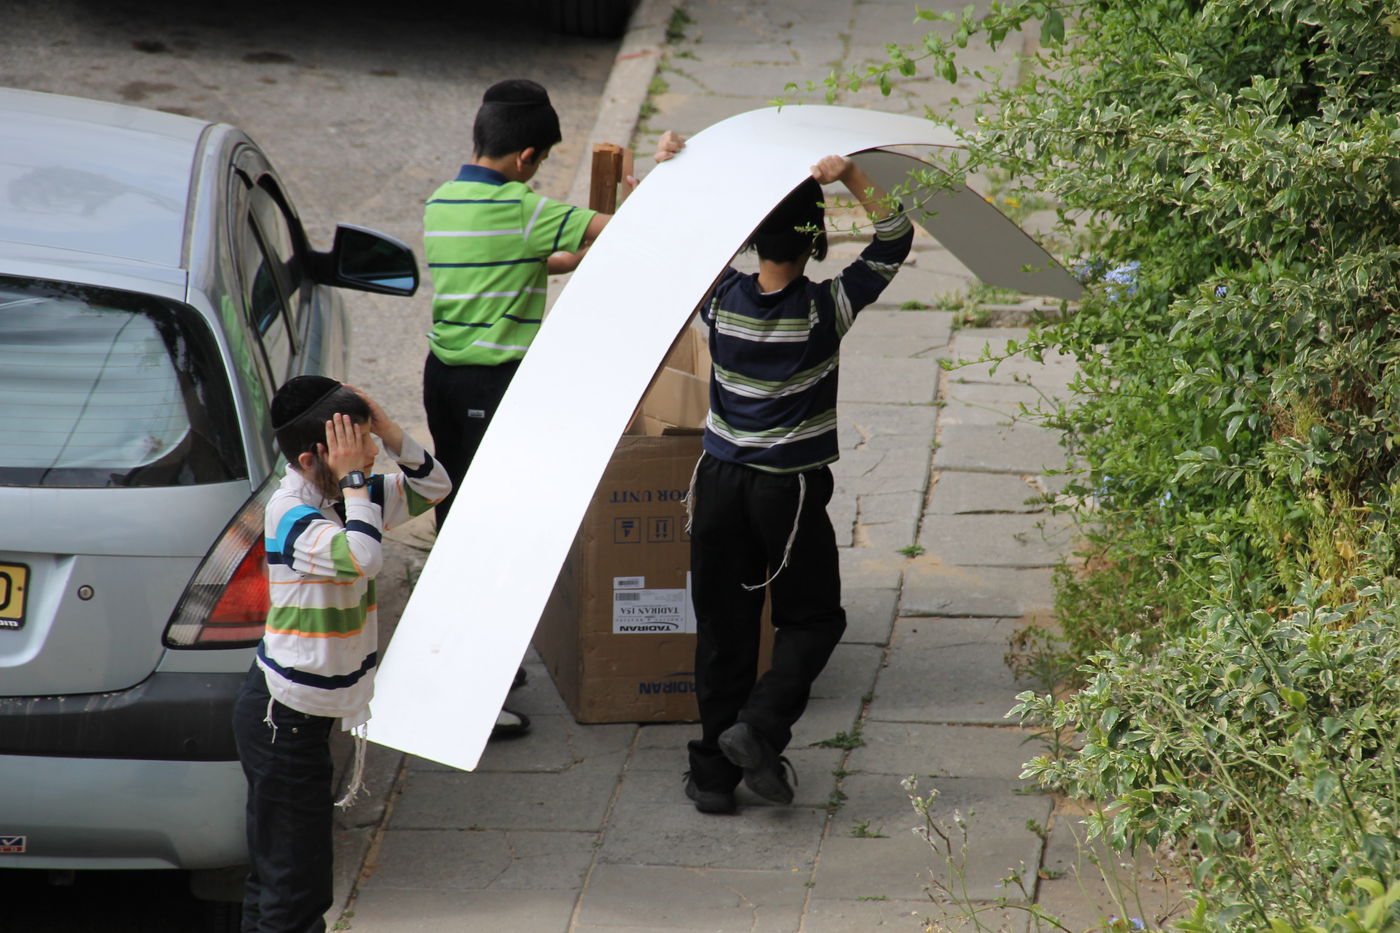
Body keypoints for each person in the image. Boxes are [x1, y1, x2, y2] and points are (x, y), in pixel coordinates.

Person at [654, 132, 915, 814]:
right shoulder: (823, 311)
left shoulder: (719, 300)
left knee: (723, 626)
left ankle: (712, 776)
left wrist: (677, 166)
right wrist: (851, 174)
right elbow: (893, 238)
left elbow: (672, 234)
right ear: (815, 242)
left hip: (715, 483)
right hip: (786, 491)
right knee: (813, 617)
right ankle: (761, 728)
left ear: (752, 237)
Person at [421, 78, 630, 739]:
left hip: (445, 379)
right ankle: (467, 687)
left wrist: (569, 252)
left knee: (456, 511)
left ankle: (472, 656)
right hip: (491, 385)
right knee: (489, 532)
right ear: (527, 157)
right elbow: (622, 230)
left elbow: (536, 257)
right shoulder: (521, 208)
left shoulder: (442, 202)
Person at [232, 376, 450, 932]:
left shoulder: (339, 498)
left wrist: (388, 429)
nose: (371, 455)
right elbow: (363, 558)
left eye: (369, 443)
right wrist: (357, 479)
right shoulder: (291, 513)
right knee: (294, 892)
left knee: (284, 878)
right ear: (313, 458)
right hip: (284, 722)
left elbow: (434, 487)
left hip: (301, 718)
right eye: (357, 448)